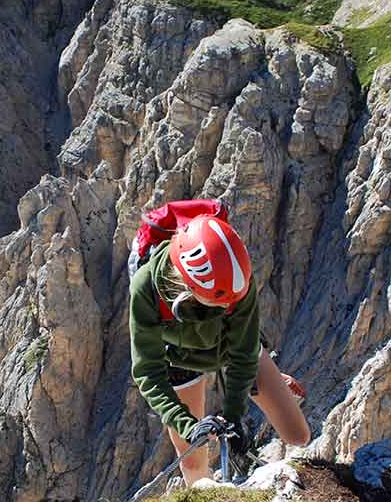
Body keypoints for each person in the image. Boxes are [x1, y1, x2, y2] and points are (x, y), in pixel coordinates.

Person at [128, 209, 310, 487]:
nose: (227, 308)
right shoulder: (147, 288)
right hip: (179, 361)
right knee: (193, 463)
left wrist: (234, 416)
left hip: (234, 347)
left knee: (298, 435)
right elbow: (148, 373)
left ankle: (273, 379)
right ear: (186, 289)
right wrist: (188, 426)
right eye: (218, 305)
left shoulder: (237, 284)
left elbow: (243, 352)